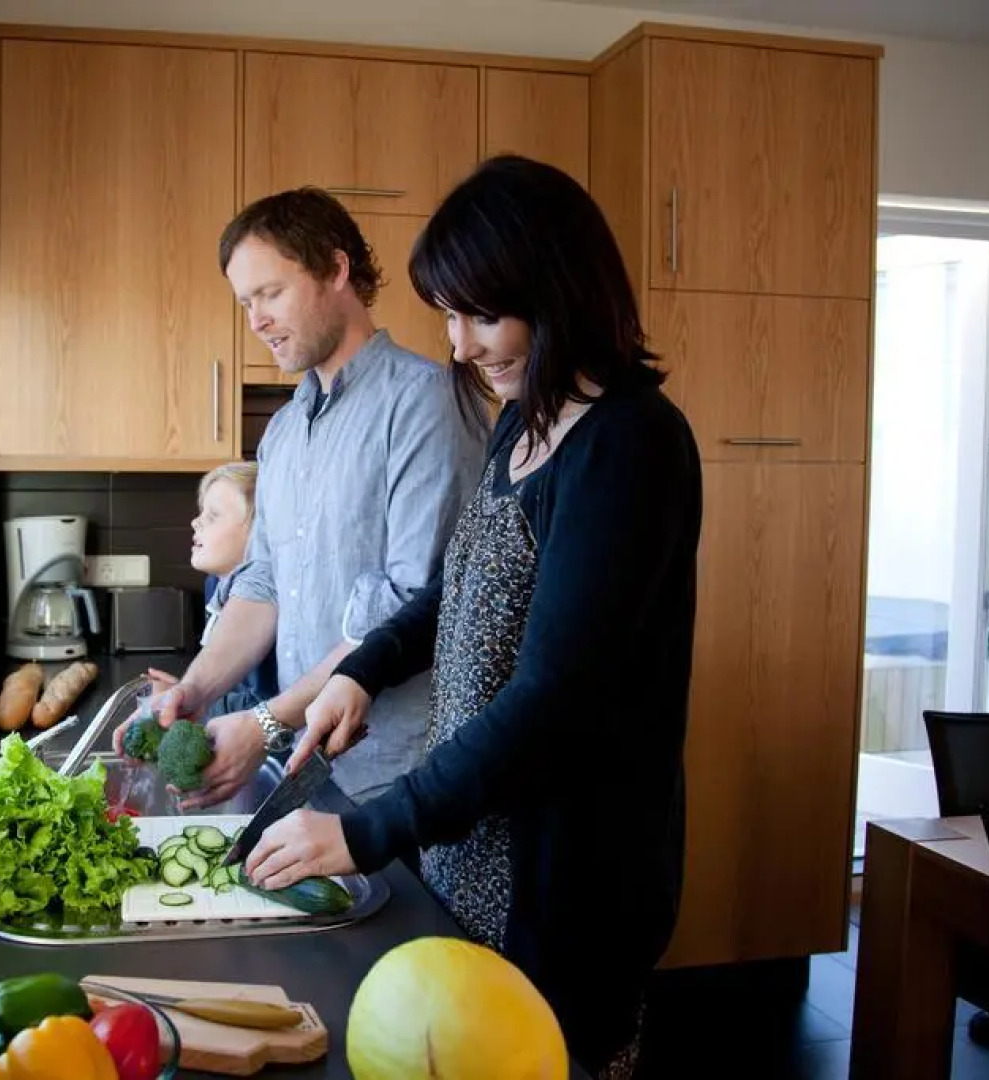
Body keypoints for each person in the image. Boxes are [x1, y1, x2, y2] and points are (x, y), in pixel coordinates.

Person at [240, 156, 703, 1079]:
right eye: (447, 315)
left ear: (558, 290)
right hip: (476, 838)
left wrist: (369, 830)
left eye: (479, 314)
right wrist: (361, 668)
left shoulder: (631, 443)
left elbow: (553, 701)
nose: (456, 344)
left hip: (569, 870)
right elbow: (457, 594)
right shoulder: (523, 423)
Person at [121, 187, 486, 809]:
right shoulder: (286, 432)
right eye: (245, 303)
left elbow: (408, 609)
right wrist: (198, 687)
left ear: (336, 269)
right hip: (310, 769)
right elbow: (262, 584)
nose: (256, 319)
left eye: (270, 293)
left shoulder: (425, 403)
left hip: (400, 779)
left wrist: (267, 723)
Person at [146, 462, 277, 719]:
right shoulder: (215, 585)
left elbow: (264, 700)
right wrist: (184, 693)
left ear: (261, 530)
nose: (196, 522)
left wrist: (190, 702)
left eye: (213, 515)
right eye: (201, 512)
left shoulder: (269, 601)